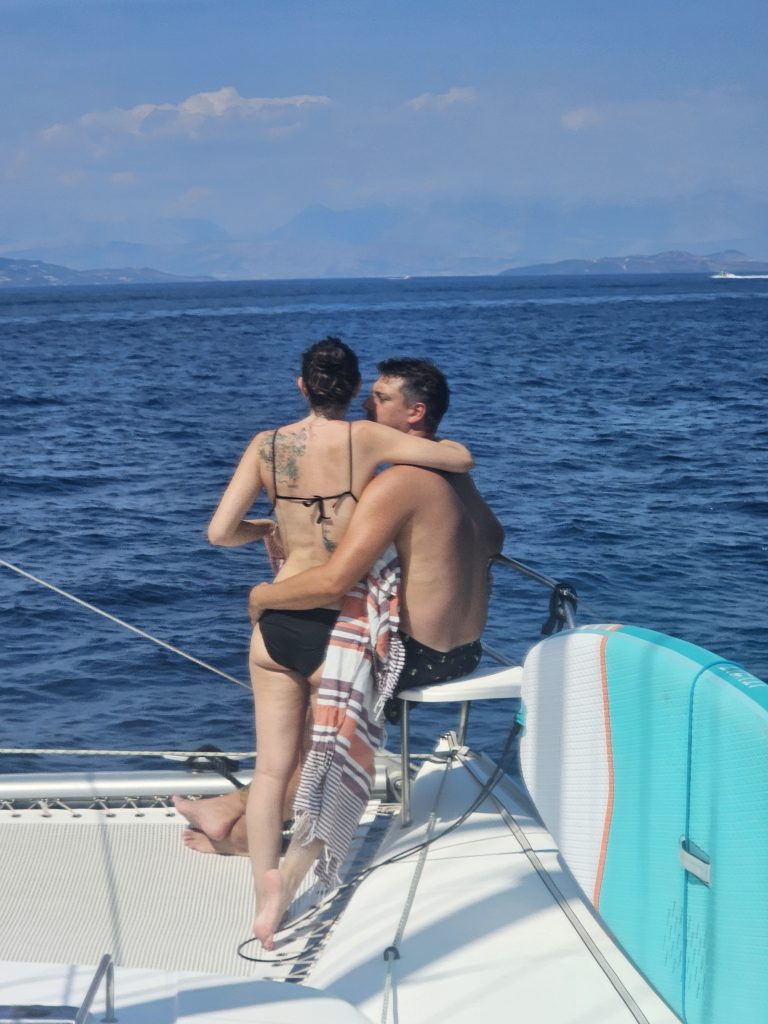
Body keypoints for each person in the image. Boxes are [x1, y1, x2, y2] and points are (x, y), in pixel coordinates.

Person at [179, 357, 504, 948]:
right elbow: (491, 537)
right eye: (367, 394)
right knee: (313, 735)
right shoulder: (455, 481)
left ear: (414, 413)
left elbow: (331, 582)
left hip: (411, 656)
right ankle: (231, 814)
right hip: (467, 654)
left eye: (380, 400)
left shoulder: (393, 482)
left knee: (315, 742)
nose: (367, 409)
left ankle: (271, 866)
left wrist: (261, 593)